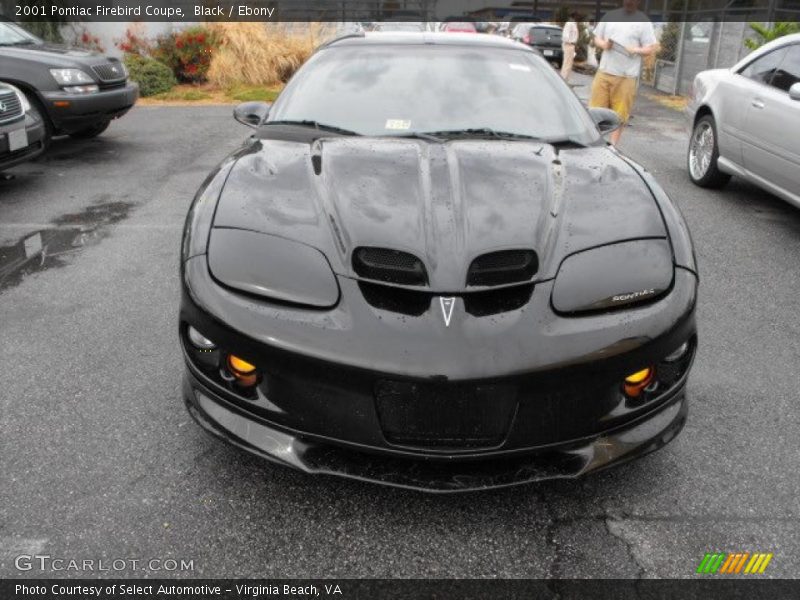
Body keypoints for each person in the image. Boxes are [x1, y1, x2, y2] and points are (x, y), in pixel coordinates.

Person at [589, 0, 659, 145]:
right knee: (595, 112)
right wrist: (605, 45)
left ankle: (613, 147)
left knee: (620, 115)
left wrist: (636, 50)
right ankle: (595, 142)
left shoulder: (643, 22)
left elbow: (650, 48)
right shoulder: (610, 16)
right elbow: (597, 38)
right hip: (604, 72)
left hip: (626, 77)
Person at [560, 12, 580, 82]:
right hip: (568, 45)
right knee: (566, 64)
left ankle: (566, 80)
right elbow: (565, 36)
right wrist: (570, 42)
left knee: (569, 64)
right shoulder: (569, 24)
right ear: (574, 16)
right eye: (577, 16)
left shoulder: (574, 24)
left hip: (572, 45)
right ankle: (563, 79)